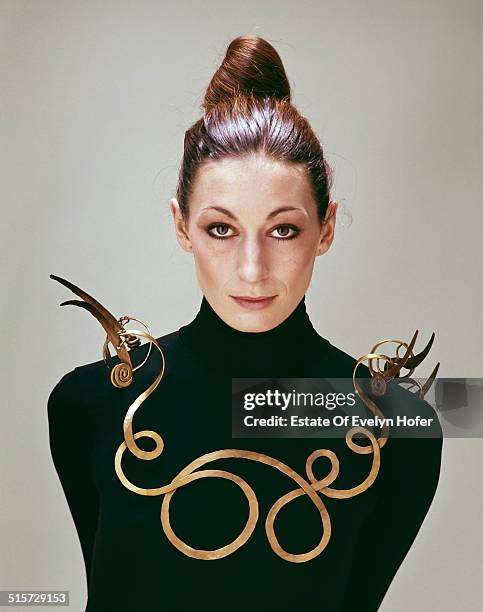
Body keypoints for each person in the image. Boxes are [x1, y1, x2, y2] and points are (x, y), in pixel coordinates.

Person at [47, 35, 443, 611]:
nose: (253, 270)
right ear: (182, 227)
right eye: (221, 229)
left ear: (326, 228)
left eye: (283, 229)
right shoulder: (88, 403)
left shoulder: (400, 423)